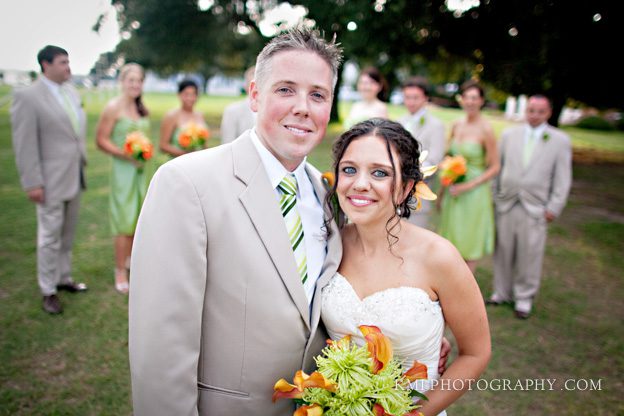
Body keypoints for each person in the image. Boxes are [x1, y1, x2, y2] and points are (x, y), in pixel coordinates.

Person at [321, 118, 491, 415]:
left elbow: (476, 354)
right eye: (349, 169)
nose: (360, 183)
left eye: (380, 173)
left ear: (406, 187)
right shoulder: (328, 245)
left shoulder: (438, 256)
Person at [10, 45, 88, 315]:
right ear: (46, 65)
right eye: (62, 62)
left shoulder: (70, 92)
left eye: (68, 61)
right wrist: (32, 182)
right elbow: (24, 143)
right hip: (49, 180)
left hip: (74, 174)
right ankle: (48, 290)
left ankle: (63, 277)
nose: (68, 67)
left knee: (67, 233)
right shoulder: (28, 97)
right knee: (49, 236)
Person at [489, 95, 572, 319]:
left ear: (549, 113)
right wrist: (495, 195)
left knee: (530, 254)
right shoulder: (509, 135)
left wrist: (554, 207)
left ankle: (524, 297)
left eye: (540, 111)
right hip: (507, 202)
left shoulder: (559, 140)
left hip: (535, 207)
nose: (534, 115)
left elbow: (562, 178)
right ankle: (501, 291)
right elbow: (498, 167)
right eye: (531, 110)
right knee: (503, 249)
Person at [95, 63, 150, 294]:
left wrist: (144, 151)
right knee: (124, 219)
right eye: (131, 80)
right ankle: (119, 270)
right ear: (122, 82)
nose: (135, 85)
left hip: (141, 170)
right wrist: (124, 154)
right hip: (123, 171)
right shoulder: (113, 108)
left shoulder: (140, 108)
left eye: (139, 81)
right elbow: (101, 140)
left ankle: (130, 261)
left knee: (138, 218)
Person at [437, 80, 500, 274]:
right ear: (461, 100)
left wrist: (469, 185)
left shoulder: (486, 129)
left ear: (481, 101)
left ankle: (466, 285)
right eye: (466, 97)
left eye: (474, 98)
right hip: (453, 191)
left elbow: (495, 166)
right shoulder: (456, 125)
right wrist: (442, 191)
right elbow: (448, 157)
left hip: (474, 193)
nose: (470, 102)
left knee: (469, 241)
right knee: (450, 240)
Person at [398, 76, 445, 229]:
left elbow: (434, 159)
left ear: (425, 98)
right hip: (395, 195)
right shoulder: (398, 122)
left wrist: (409, 177)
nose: (411, 102)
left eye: (415, 97)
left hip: (419, 195)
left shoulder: (436, 126)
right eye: (407, 97)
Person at [159, 79, 209, 157]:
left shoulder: (200, 115)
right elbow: (163, 146)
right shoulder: (171, 115)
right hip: (179, 160)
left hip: (199, 160)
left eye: (193, 94)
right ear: (179, 95)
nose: (190, 98)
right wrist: (186, 155)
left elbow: (204, 144)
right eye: (186, 94)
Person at [220, 65, 256, 144]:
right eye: (252, 86)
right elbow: (227, 143)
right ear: (245, 87)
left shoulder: (273, 111)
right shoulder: (232, 111)